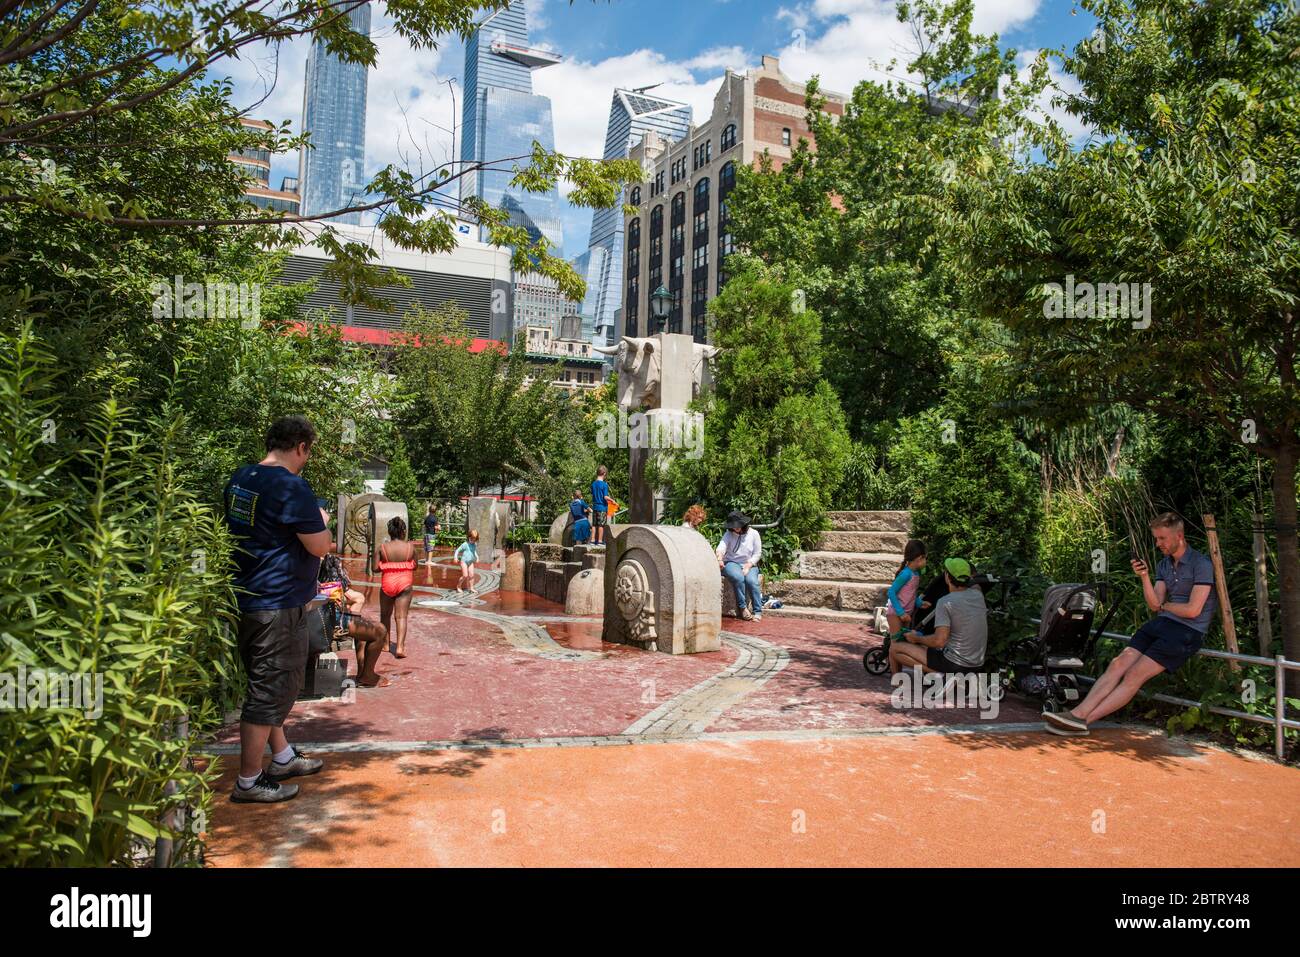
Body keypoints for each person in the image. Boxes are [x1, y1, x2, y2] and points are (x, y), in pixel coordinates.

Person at [222, 415, 329, 804]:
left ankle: (281, 757)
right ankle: (249, 780)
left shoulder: (241, 478)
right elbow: (320, 546)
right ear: (301, 447)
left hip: (248, 596)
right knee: (272, 689)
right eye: (308, 452)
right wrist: (323, 521)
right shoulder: (290, 485)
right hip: (278, 602)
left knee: (266, 681)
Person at [1043, 512, 1216, 737]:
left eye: (1162, 538)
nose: (1158, 544)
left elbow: (1193, 610)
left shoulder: (1200, 564)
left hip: (1186, 632)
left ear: (1179, 536)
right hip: (1161, 623)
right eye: (1156, 539)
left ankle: (1083, 720)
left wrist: (1165, 605)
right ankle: (1078, 714)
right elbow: (1154, 604)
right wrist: (1144, 576)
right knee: (1117, 664)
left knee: (1134, 675)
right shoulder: (1164, 565)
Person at [888, 558, 987, 676]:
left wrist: (916, 638)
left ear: (947, 577)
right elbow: (975, 583)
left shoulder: (945, 602)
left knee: (895, 648)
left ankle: (945, 676)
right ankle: (951, 676)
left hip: (954, 663)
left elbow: (939, 641)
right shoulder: (978, 594)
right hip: (977, 663)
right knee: (926, 645)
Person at [318, 551, 389, 688]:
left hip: (313, 615)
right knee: (379, 630)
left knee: (360, 622)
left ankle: (363, 673)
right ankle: (367, 674)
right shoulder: (320, 561)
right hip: (323, 618)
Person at [377, 516, 417, 659]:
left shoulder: (382, 548)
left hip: (387, 583)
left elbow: (374, 568)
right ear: (403, 531)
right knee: (401, 617)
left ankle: (386, 645)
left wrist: (386, 564)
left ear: (389, 531)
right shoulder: (410, 547)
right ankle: (399, 647)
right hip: (405, 583)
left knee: (385, 615)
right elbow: (415, 565)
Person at [716, 510, 763, 622]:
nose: (736, 528)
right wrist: (719, 558)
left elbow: (757, 553)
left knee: (752, 581)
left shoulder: (754, 534)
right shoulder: (728, 534)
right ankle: (743, 608)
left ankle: (758, 611)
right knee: (738, 577)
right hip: (732, 562)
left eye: (738, 526)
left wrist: (748, 565)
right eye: (733, 526)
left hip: (750, 563)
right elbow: (721, 547)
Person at [885, 540, 930, 637]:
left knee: (903, 641)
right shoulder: (906, 574)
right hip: (896, 614)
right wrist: (901, 613)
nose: (926, 561)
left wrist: (919, 603)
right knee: (896, 644)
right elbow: (891, 592)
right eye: (925, 558)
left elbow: (910, 594)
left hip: (906, 614)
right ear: (919, 558)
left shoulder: (916, 573)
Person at [591, 465, 610, 545]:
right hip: (602, 507)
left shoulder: (593, 484)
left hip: (595, 506)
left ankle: (592, 540)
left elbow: (593, 494)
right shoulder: (604, 485)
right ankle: (600, 541)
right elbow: (605, 497)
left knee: (594, 525)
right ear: (604, 473)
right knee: (601, 525)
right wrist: (613, 501)